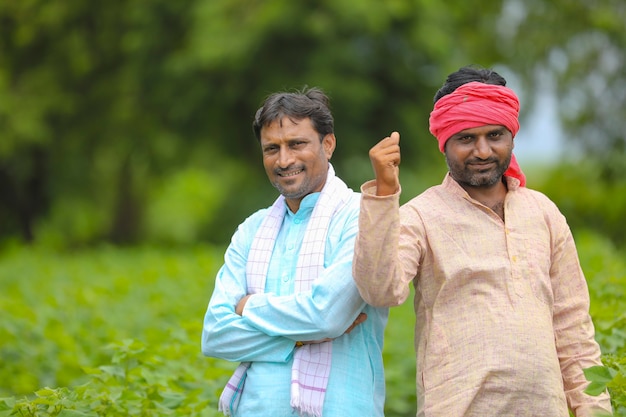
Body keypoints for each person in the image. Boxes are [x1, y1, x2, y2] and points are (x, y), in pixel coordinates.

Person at [352, 65, 613, 417]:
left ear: (512, 137)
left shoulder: (543, 212)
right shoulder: (422, 216)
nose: (483, 151)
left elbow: (574, 331)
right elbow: (380, 290)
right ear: (445, 142)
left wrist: (594, 410)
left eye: (495, 135)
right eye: (465, 138)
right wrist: (383, 195)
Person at [202, 87, 388, 417]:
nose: (284, 160)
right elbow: (216, 334)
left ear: (327, 144)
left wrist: (249, 306)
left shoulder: (362, 218)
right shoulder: (252, 230)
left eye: (296, 144)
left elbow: (324, 315)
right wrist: (301, 339)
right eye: (272, 148)